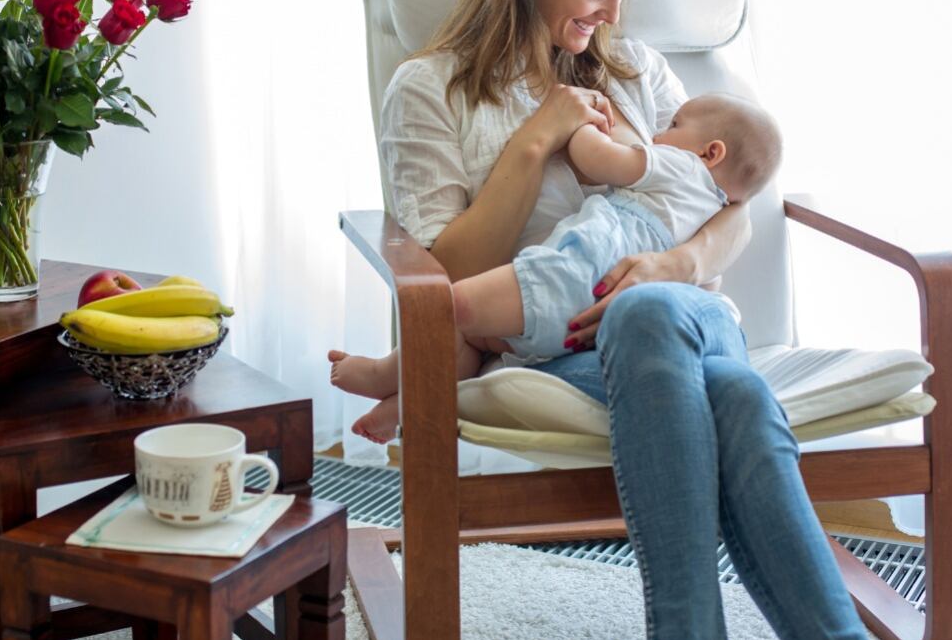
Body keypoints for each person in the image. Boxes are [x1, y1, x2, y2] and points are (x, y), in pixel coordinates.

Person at [337, 0, 866, 639]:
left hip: (694, 315)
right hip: (557, 349)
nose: (613, 15)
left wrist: (670, 265)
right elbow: (447, 274)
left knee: (651, 310)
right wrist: (532, 143)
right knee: (740, 396)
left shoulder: (639, 74)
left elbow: (735, 208)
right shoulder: (430, 90)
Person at [329, 92, 783, 439]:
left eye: (673, 124)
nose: (660, 132)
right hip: (610, 332)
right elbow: (732, 215)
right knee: (717, 391)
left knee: (452, 311)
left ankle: (384, 376)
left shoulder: (679, 160)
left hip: (570, 278)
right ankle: (401, 407)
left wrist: (580, 127)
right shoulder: (709, 191)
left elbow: (604, 161)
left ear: (712, 153)